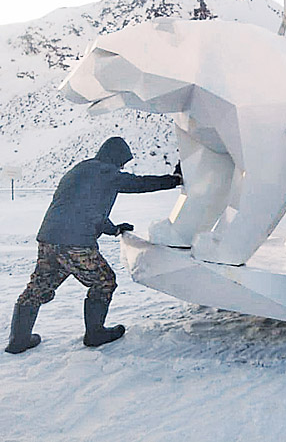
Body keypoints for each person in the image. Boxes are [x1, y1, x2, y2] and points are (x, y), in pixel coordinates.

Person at [5, 137, 183, 354]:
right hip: (75, 243)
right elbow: (139, 184)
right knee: (104, 281)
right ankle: (95, 334)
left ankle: (19, 340)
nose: (122, 168)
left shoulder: (82, 170)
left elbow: (85, 209)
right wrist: (174, 180)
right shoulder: (105, 172)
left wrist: (114, 228)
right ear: (115, 157)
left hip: (49, 240)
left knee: (38, 287)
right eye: (122, 163)